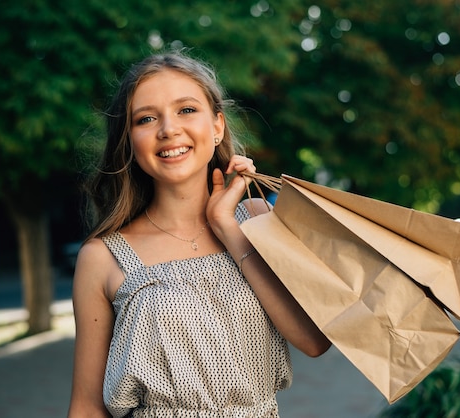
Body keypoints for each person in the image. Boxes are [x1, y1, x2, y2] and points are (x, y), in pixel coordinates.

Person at [67, 50, 331, 418]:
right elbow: (87, 407)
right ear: (129, 140)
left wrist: (227, 226)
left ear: (218, 126)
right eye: (146, 118)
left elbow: (314, 340)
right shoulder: (102, 257)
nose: (168, 129)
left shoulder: (257, 218)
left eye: (186, 110)